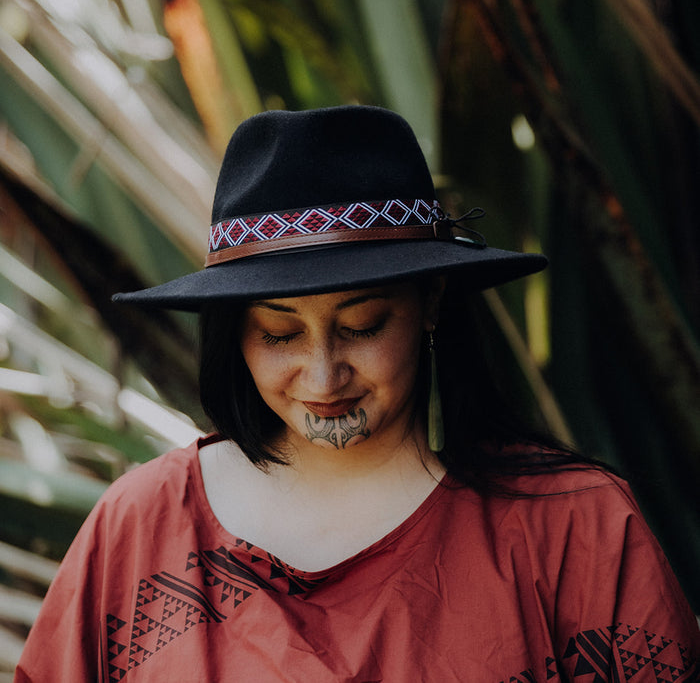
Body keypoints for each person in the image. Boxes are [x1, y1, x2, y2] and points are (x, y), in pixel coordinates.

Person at [15, 106, 699, 682]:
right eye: (280, 334)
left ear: (432, 301)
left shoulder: (575, 532)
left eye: (363, 325)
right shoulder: (142, 527)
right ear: (235, 333)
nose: (323, 374)